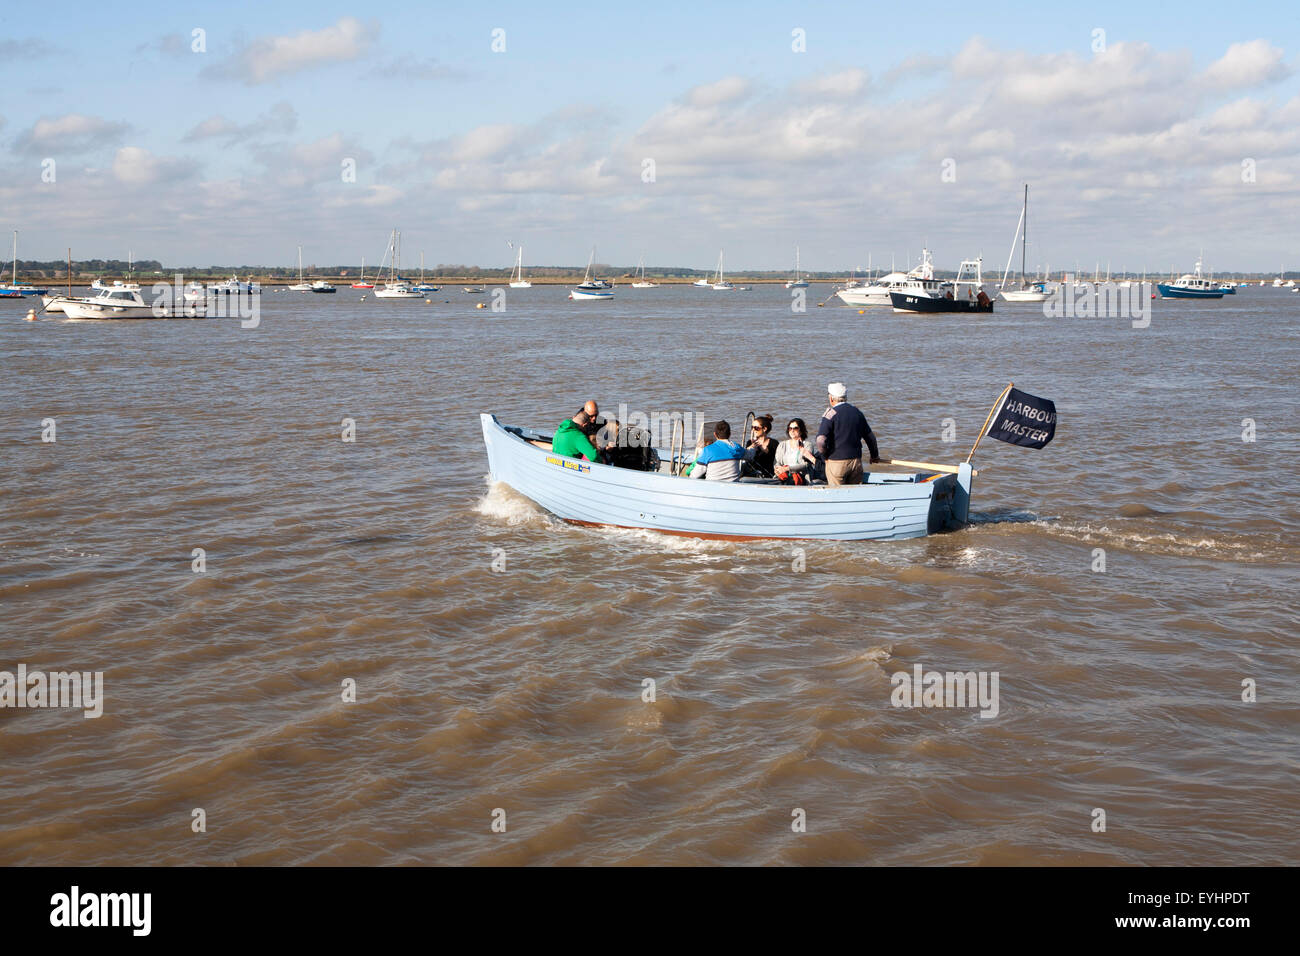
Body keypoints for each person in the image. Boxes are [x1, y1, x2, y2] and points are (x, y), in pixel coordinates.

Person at [815, 383, 881, 486]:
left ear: (831, 398)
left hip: (836, 462)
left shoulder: (830, 414)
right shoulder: (857, 413)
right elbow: (870, 438)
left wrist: (825, 457)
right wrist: (874, 456)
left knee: (837, 495)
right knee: (855, 494)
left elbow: (820, 441)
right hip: (856, 462)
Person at [774, 418, 818, 484]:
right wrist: (778, 470)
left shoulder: (807, 445)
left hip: (801, 478)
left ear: (801, 430)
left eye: (795, 428)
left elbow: (806, 465)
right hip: (784, 476)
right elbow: (777, 462)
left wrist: (787, 468)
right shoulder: (782, 444)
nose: (792, 431)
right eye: (790, 428)